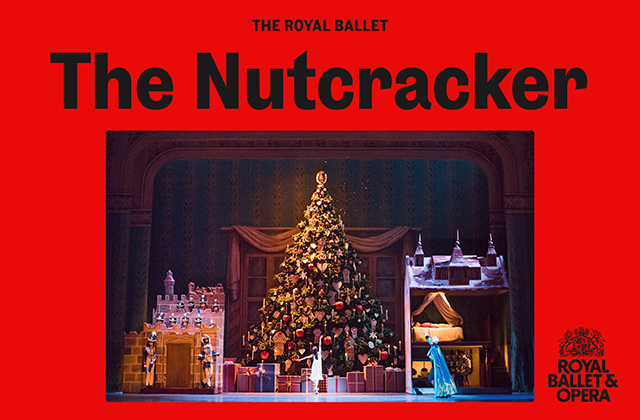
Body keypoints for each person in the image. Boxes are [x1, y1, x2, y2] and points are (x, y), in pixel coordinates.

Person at [424, 332, 457, 398]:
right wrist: (426, 335)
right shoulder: (437, 347)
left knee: (432, 378)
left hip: (436, 367)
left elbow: (433, 358)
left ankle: (440, 391)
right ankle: (443, 391)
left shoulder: (433, 349)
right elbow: (430, 343)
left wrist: (428, 355)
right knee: (441, 379)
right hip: (438, 366)